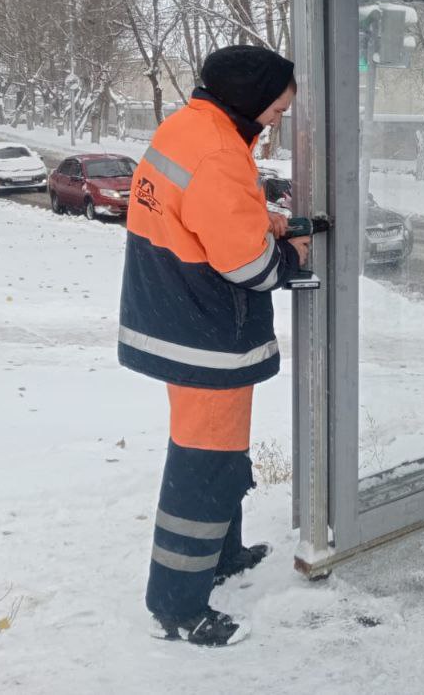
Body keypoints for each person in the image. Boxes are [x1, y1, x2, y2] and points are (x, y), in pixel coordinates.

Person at [119, 45, 310, 647]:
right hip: (207, 336)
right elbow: (247, 265)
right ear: (251, 98)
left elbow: (202, 218)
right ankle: (177, 605)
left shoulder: (188, 127)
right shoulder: (220, 153)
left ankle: (222, 556)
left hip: (178, 320)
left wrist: (266, 223)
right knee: (204, 467)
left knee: (219, 458)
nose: (277, 118)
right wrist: (288, 256)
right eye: (277, 108)